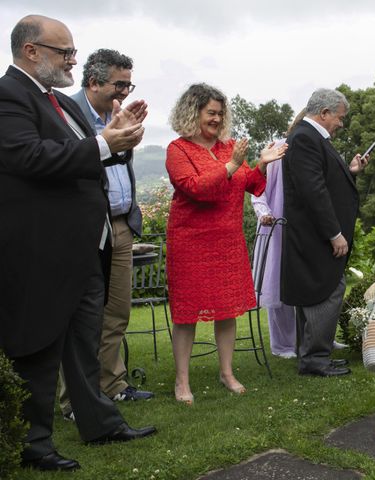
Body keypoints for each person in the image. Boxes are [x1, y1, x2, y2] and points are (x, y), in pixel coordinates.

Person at [0, 15, 156, 471]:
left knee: (85, 342)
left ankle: (100, 423)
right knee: (39, 348)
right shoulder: (9, 97)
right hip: (41, 250)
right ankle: (34, 443)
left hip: (85, 246)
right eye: (64, 52)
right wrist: (104, 143)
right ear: (31, 51)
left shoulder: (58, 103)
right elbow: (30, 157)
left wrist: (118, 136)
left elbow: (88, 152)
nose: (72, 60)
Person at [165, 83, 287, 402]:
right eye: (211, 113)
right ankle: (181, 381)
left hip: (227, 242)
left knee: (227, 310)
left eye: (221, 113)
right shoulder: (178, 150)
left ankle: (227, 372)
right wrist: (231, 166)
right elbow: (196, 189)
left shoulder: (227, 146)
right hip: (191, 242)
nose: (217, 119)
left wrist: (261, 164)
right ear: (193, 112)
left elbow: (250, 185)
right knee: (186, 314)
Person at [58, 49, 152, 422]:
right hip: (83, 228)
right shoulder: (66, 113)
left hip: (120, 224)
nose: (126, 91)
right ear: (94, 82)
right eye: (120, 84)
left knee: (117, 311)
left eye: (130, 83)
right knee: (81, 315)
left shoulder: (116, 114)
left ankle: (113, 384)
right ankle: (72, 401)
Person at [281, 88, 368, 377]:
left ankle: (314, 354)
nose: (341, 123)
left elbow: (325, 180)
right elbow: (313, 191)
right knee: (326, 291)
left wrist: (351, 171)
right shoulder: (306, 138)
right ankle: (315, 358)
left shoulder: (311, 137)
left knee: (318, 292)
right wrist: (334, 233)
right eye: (340, 118)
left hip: (315, 234)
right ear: (325, 113)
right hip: (316, 235)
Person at [250, 109, 307, 359]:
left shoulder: (313, 151)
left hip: (304, 227)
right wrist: (263, 212)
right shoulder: (277, 149)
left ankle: (312, 336)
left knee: (307, 282)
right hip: (276, 225)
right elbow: (257, 188)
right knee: (277, 284)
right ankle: (282, 344)